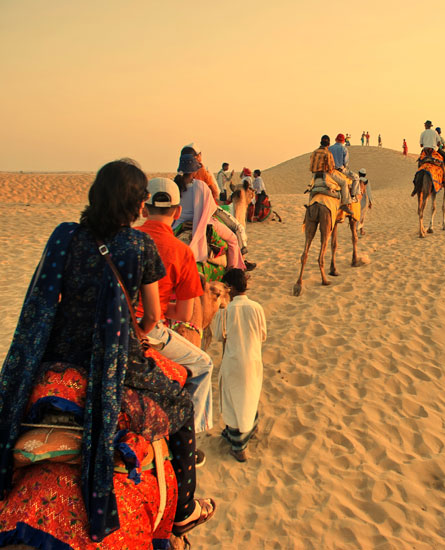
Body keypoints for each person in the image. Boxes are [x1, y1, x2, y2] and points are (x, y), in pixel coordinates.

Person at [0, 160, 214, 546]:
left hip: (56, 355)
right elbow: (150, 316)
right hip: (117, 359)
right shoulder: (138, 245)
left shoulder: (63, 236)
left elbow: (45, 297)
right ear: (136, 204)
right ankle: (183, 512)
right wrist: (140, 335)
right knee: (180, 404)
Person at [138, 177, 216, 441]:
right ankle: (188, 437)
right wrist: (161, 310)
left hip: (113, 321)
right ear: (178, 212)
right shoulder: (182, 252)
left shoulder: (125, 239)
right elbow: (184, 315)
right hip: (149, 329)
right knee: (204, 365)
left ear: (143, 208)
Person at [213, 268, 267, 462]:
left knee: (232, 400)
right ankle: (248, 431)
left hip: (233, 361)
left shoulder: (226, 310)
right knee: (250, 396)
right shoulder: (257, 307)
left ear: (231, 288)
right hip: (253, 360)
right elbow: (263, 335)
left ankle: (239, 447)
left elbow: (219, 335)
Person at [173, 154, 249, 271]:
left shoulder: (175, 186)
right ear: (194, 171)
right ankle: (234, 271)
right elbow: (212, 209)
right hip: (203, 222)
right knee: (233, 239)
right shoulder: (200, 186)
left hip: (177, 224)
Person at [308, 135, 353, 214]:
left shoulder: (314, 152)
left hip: (315, 175)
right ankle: (345, 203)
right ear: (328, 144)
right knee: (344, 183)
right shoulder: (328, 153)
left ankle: (309, 206)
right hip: (326, 174)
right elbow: (330, 168)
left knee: (311, 189)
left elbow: (311, 167)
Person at [357, 168, 374, 235]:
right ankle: (361, 230)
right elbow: (369, 192)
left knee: (357, 215)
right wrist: (370, 202)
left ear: (359, 174)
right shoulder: (367, 181)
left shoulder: (356, 180)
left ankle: (358, 229)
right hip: (364, 200)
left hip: (357, 199)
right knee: (362, 216)